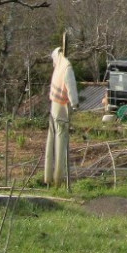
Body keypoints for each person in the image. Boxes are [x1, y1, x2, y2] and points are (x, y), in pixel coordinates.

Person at [44, 47, 78, 186]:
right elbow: (71, 87)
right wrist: (75, 104)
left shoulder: (58, 67)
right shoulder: (66, 67)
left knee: (50, 142)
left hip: (54, 106)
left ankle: (48, 177)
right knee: (60, 143)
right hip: (62, 108)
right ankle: (58, 179)